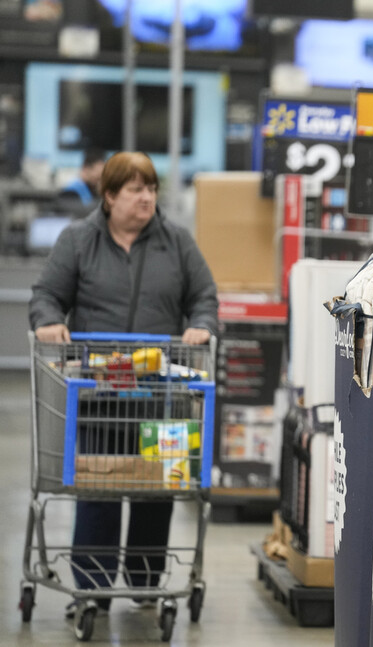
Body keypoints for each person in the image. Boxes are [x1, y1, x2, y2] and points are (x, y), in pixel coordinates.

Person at [29, 151, 218, 616]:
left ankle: (145, 585)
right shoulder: (77, 240)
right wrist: (50, 321)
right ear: (109, 196)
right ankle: (91, 590)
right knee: (99, 491)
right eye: (135, 189)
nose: (147, 197)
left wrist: (202, 323)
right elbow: (47, 295)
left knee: (158, 490)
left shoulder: (177, 243)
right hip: (99, 395)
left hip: (163, 396)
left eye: (151, 188)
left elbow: (204, 297)